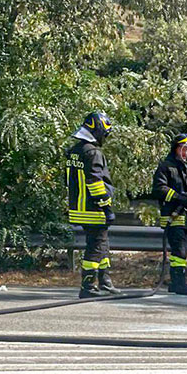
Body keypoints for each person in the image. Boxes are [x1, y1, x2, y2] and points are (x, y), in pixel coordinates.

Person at [65, 112, 121, 299]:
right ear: (97, 130)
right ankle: (88, 286)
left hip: (78, 208)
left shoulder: (75, 151)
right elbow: (96, 183)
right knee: (95, 246)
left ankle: (105, 281)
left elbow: (68, 180)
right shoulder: (94, 153)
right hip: (93, 209)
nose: (105, 137)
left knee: (101, 243)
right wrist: (106, 208)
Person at [152, 132, 187, 296]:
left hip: (185, 216)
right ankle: (179, 283)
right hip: (172, 216)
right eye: (185, 149)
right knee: (180, 251)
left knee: (179, 251)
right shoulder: (166, 167)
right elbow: (159, 189)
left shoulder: (186, 168)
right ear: (176, 148)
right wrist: (179, 197)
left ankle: (175, 283)